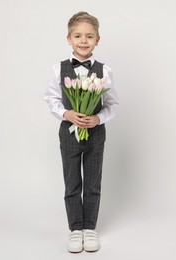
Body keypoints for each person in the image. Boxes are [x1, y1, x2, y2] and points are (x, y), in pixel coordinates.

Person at [44, 11, 119, 253]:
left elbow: (112, 104)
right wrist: (67, 114)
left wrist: (97, 118)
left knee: (93, 182)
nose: (83, 41)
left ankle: (90, 228)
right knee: (72, 181)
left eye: (89, 36)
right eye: (78, 36)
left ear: (98, 39)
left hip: (95, 134)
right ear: (69, 39)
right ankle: (75, 229)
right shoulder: (58, 69)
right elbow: (52, 99)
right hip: (68, 134)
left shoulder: (104, 71)